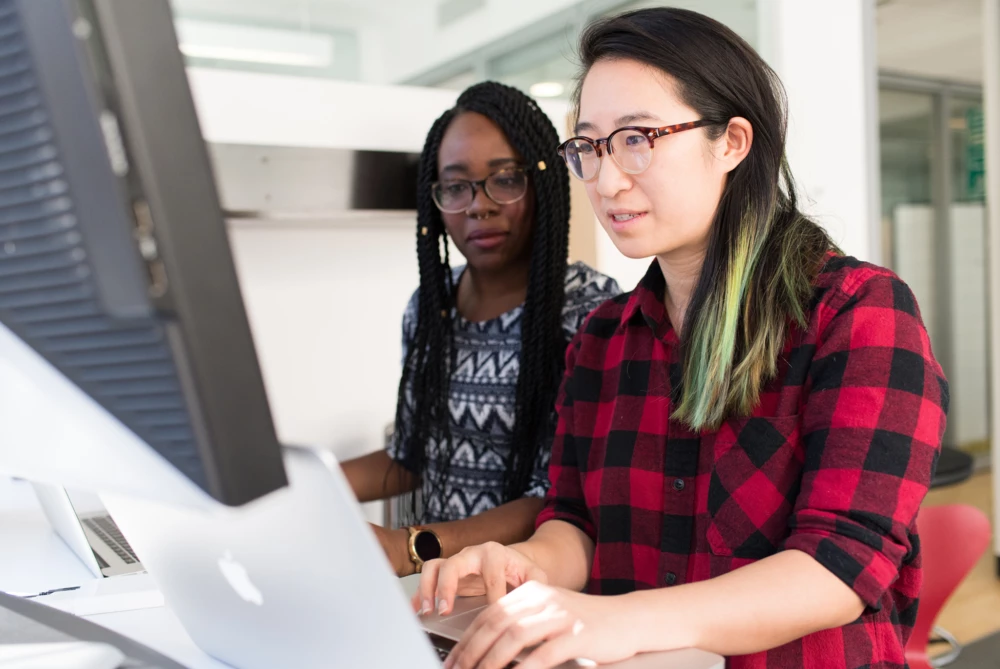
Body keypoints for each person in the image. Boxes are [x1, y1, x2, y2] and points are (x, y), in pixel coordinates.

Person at [414, 9, 948, 669]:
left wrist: (615, 619)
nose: (607, 181)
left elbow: (840, 563)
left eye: (637, 138)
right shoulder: (602, 339)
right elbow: (576, 524)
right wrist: (521, 563)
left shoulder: (858, 312)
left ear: (732, 142)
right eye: (589, 147)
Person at [342, 82, 620, 579]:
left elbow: (559, 497)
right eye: (456, 186)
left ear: (542, 183)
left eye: (505, 180)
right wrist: (300, 486)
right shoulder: (430, 308)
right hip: (442, 589)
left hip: (535, 591)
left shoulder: (589, 312)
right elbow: (410, 455)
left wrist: (411, 547)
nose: (479, 205)